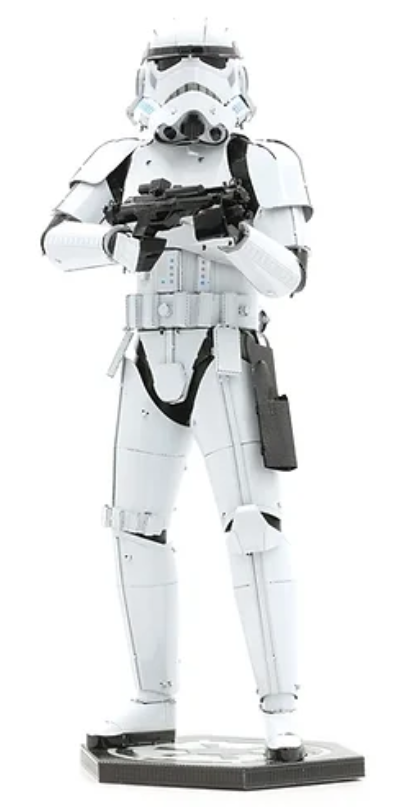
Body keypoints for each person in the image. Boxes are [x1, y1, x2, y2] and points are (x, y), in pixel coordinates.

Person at [42, 18, 312, 762]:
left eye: (209, 64)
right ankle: (151, 700)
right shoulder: (121, 161)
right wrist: (119, 240)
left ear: (236, 77)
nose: (191, 78)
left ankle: (281, 709)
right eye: (173, 65)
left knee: (253, 526)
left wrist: (231, 238)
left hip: (226, 354)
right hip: (144, 357)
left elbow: (290, 275)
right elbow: (55, 241)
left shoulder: (259, 161)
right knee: (134, 528)